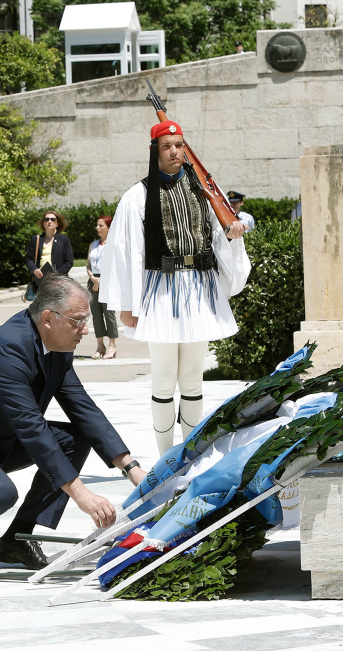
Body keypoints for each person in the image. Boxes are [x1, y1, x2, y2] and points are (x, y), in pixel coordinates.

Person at [0, 275, 147, 579]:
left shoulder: (56, 342)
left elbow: (82, 407)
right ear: (48, 318)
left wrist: (131, 467)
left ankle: (17, 539)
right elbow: (31, 428)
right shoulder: (8, 348)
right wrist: (80, 493)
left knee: (74, 438)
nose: (85, 330)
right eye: (78, 320)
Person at [101, 119, 251, 455]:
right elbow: (127, 251)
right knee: (164, 378)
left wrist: (231, 233)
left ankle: (191, 455)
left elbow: (217, 233)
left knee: (193, 378)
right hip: (160, 291)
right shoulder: (137, 196)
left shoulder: (204, 190)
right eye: (167, 146)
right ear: (155, 151)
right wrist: (127, 304)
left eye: (179, 145)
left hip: (198, 289)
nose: (174, 152)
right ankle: (166, 458)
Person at [86, 215, 119, 359]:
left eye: (101, 226)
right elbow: (88, 264)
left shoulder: (113, 244)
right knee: (96, 314)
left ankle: (112, 345)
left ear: (109, 228)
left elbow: (116, 265)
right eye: (97, 225)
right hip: (93, 281)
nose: (97, 228)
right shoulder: (93, 244)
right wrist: (93, 279)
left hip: (108, 281)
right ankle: (100, 345)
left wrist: (102, 281)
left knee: (109, 314)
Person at [24, 211, 73, 301]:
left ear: (57, 223)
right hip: (40, 282)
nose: (49, 221)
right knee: (42, 310)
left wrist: (57, 274)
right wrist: (34, 270)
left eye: (52, 219)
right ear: (43, 223)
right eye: (46, 219)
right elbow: (29, 259)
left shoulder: (64, 240)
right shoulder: (36, 239)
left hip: (58, 282)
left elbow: (69, 261)